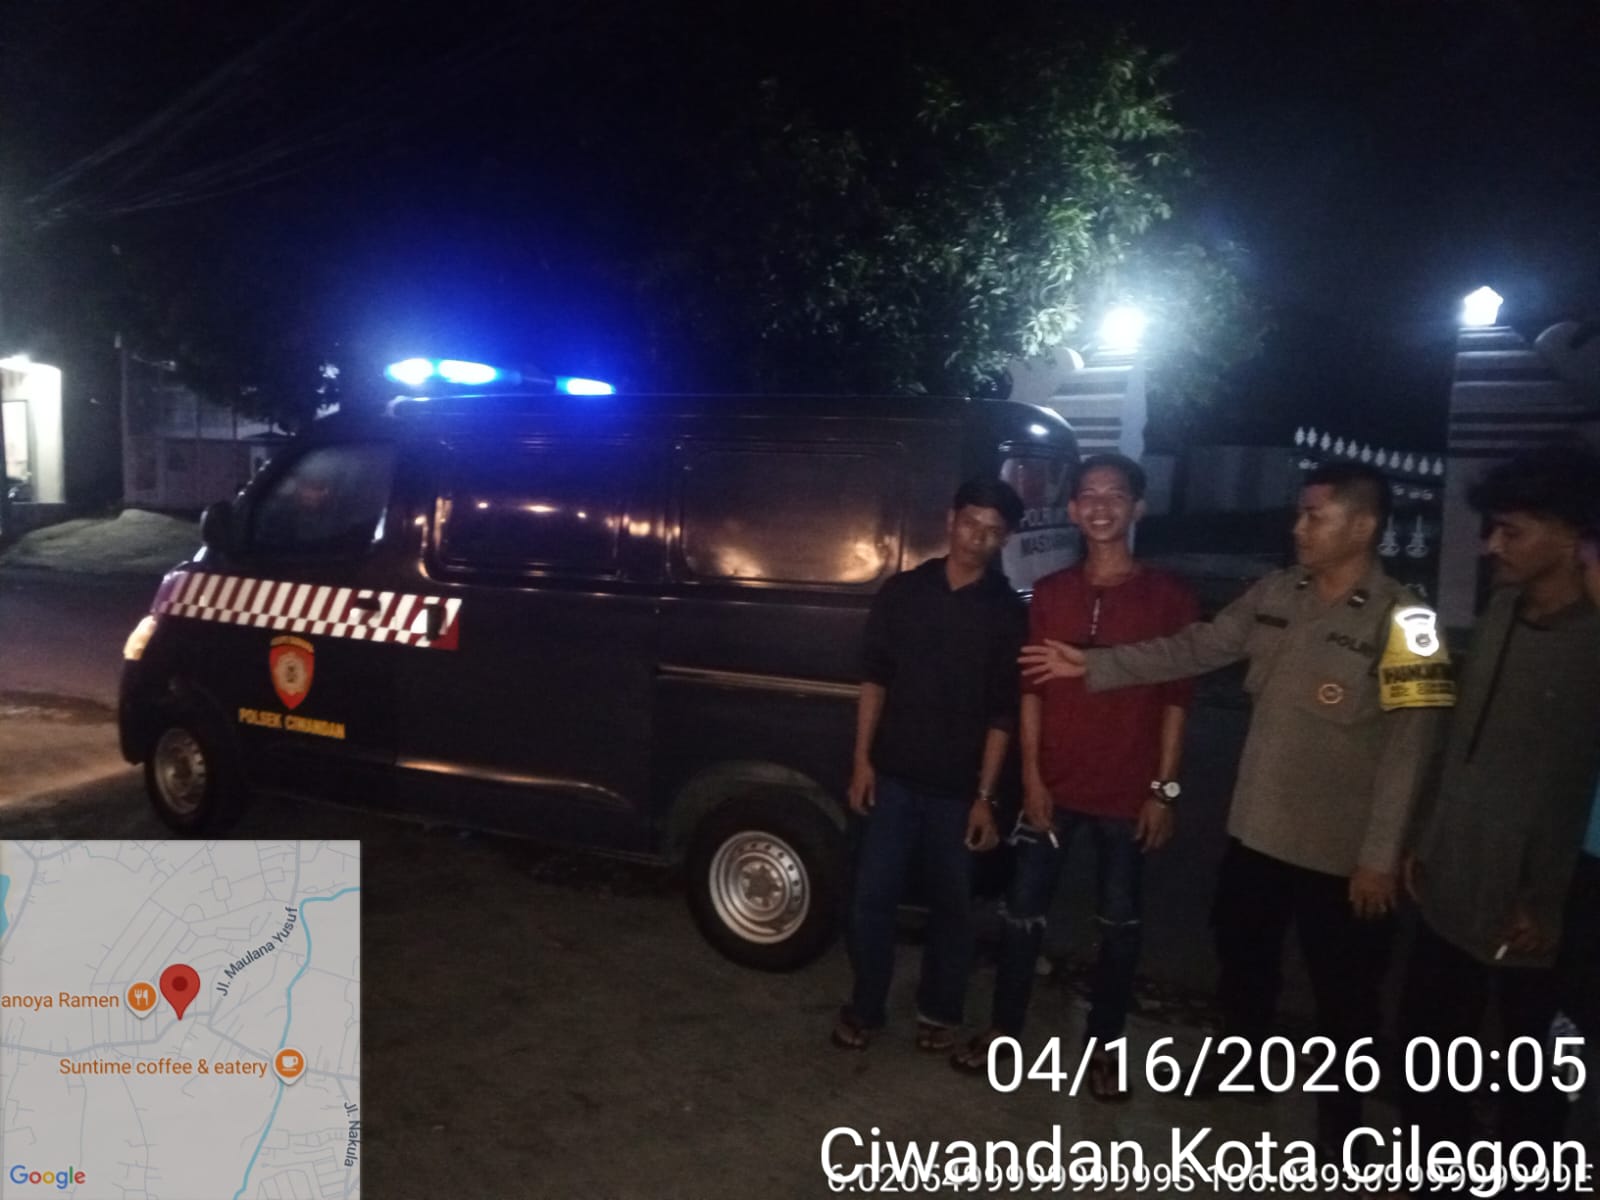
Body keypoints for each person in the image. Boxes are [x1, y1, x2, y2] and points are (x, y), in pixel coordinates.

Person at [1020, 462, 1450, 1147]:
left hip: (1339, 848)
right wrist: (1094, 665)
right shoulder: (1279, 592)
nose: (1298, 528)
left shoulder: (1410, 621)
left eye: (1315, 516)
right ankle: (1243, 1064)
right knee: (1244, 959)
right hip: (1258, 828)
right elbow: (1197, 647)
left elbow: (1414, 747)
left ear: (1362, 526)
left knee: (1346, 995)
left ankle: (1346, 1130)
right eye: (1301, 514)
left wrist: (1380, 855)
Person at [949, 454, 1197, 1098]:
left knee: (1119, 928)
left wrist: (1164, 791)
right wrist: (1032, 780)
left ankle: (1105, 1051)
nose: (1101, 506)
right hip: (1054, 787)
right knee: (1021, 917)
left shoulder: (1169, 597)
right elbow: (1031, 693)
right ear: (1072, 510)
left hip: (1128, 794)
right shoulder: (1052, 592)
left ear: (1138, 507)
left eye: (1115, 495)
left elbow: (1177, 703)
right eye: (1089, 495)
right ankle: (1004, 1034)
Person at [1400, 446, 1600, 1170]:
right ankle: (1433, 1163)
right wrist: (1425, 833)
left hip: (1536, 897)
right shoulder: (1503, 610)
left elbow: (1576, 785)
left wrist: (1546, 896)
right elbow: (1459, 735)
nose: (1492, 546)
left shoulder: (1591, 640)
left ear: (1570, 537)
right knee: (1430, 1034)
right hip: (1455, 861)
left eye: (1511, 531)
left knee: (1533, 1056)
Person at [832, 477, 1027, 1052]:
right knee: (870, 899)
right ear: (950, 521)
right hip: (892, 779)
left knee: (953, 910)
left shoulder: (1006, 613)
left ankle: (939, 1011)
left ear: (1005, 539)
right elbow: (874, 679)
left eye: (992, 530)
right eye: (971, 523)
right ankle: (866, 1007)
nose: (978, 537)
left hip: (958, 793)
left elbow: (1004, 713)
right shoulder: (904, 592)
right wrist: (862, 761)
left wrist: (986, 798)